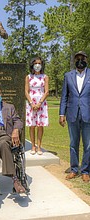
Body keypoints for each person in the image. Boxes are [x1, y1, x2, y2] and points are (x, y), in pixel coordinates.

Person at [59, 51, 90, 183]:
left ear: (86, 60)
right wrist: (62, 114)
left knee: (88, 145)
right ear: (74, 60)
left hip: (87, 114)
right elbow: (64, 96)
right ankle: (74, 169)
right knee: (73, 144)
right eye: (77, 59)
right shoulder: (68, 76)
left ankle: (85, 171)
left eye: (82, 58)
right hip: (72, 114)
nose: (80, 61)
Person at [25, 57, 49, 155]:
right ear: (32, 65)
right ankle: (33, 146)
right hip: (31, 103)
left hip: (41, 103)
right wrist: (31, 103)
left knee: (40, 125)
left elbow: (46, 91)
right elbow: (26, 91)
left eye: (39, 63)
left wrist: (39, 103)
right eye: (35, 63)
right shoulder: (28, 77)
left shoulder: (45, 77)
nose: (37, 65)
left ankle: (39, 147)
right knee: (32, 125)